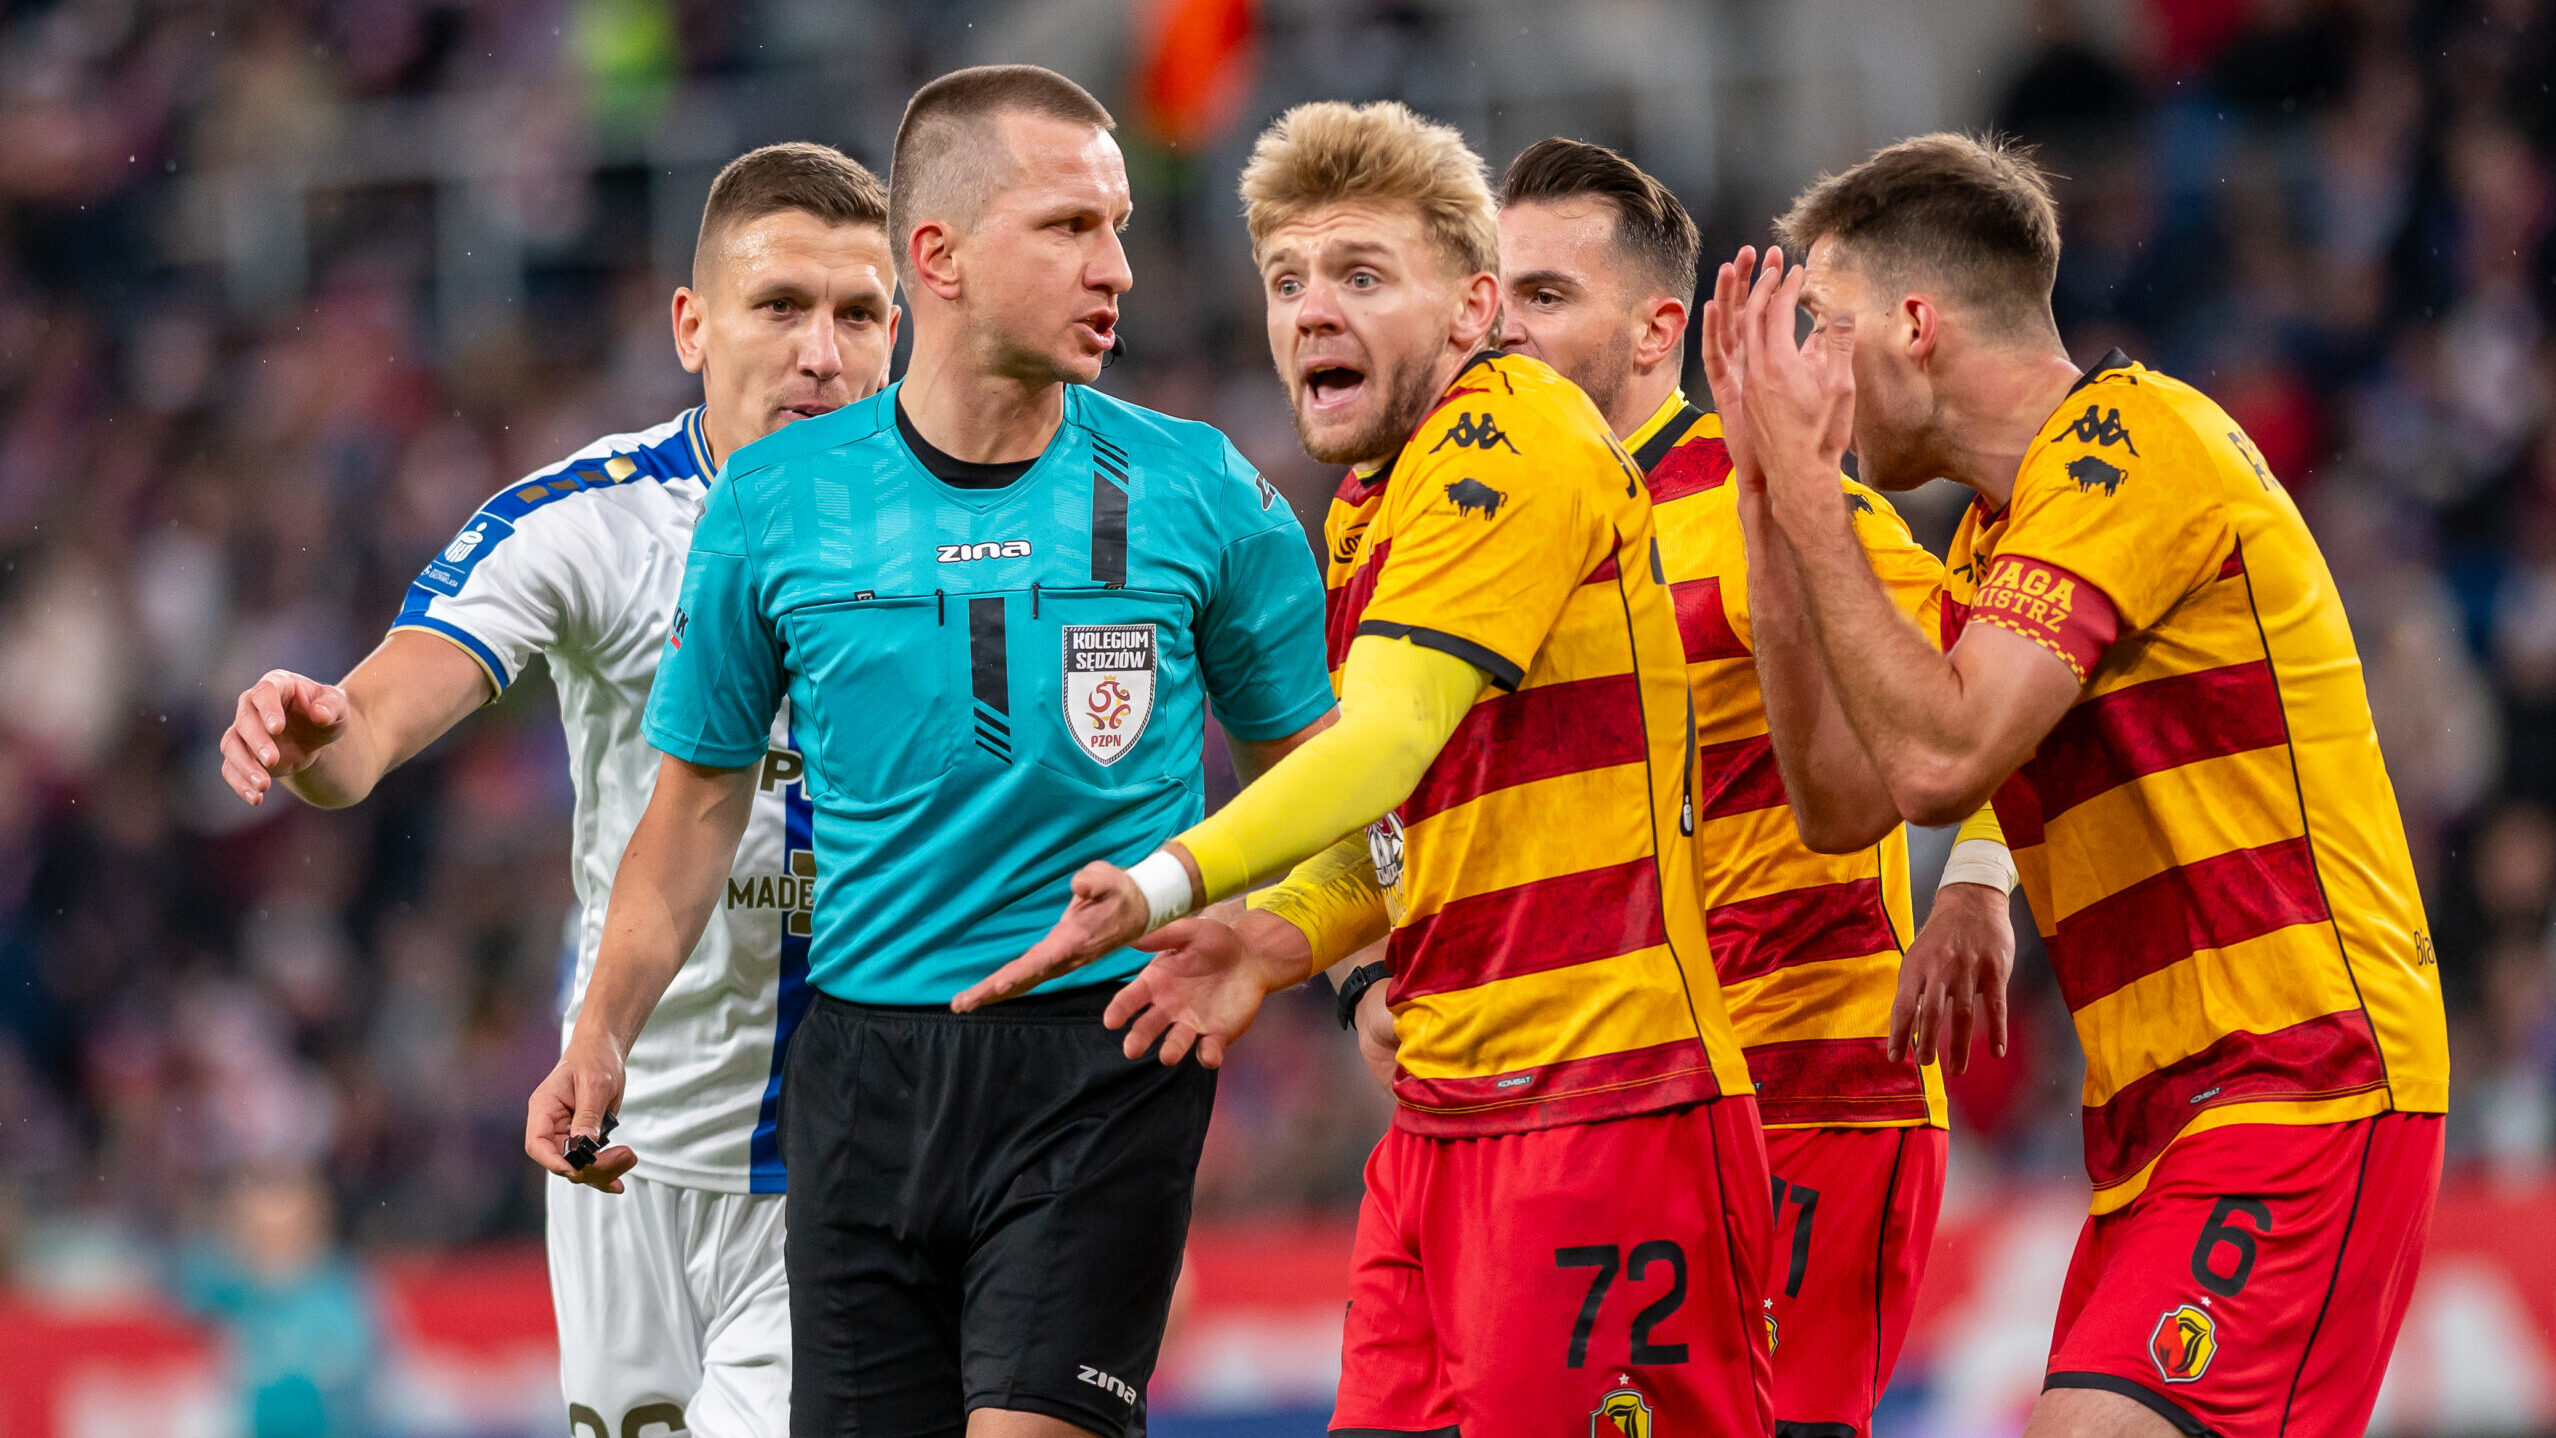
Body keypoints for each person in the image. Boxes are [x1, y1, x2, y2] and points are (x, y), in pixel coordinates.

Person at [535, 66, 1336, 1438]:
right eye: (1070, 227)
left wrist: (1325, 956)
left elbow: (1322, 783)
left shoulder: (1204, 491)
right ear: (940, 256)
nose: (1117, 268)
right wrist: (599, 1032)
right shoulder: (774, 501)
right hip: (862, 1075)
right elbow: (693, 812)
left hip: (1106, 1055)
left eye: (1119, 227)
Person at [963, 100, 1774, 1437]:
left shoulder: (1515, 438)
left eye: (1361, 276)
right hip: (1444, 1123)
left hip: (1603, 1107)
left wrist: (1169, 881)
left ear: (1471, 309)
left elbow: (1383, 740)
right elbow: (1407, 812)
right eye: (1288, 280)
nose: (1312, 312)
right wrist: (1273, 938)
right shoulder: (1366, 502)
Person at [1711, 133, 2448, 1438]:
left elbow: (1940, 757)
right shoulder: (2001, 535)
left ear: (1915, 326)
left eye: (1822, 324)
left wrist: (1814, 490)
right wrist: (1767, 495)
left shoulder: (2131, 443)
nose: (1804, 365)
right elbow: (1836, 801)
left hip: (2304, 1076)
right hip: (2162, 1115)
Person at [214, 143, 899, 1438]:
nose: (822, 352)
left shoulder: (969, 540)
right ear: (692, 327)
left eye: (858, 315)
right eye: (780, 306)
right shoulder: (591, 519)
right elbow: (374, 719)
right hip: (616, 1145)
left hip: (853, 1156)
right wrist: (320, 735)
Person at [1492, 135, 2018, 1438]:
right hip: (1618, 1100)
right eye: (1496, 294)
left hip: (1812, 1084)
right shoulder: (1497, 536)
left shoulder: (1778, 499)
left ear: (1655, 329)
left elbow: (2002, 687)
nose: (1503, 329)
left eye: (1546, 295)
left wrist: (1978, 883)